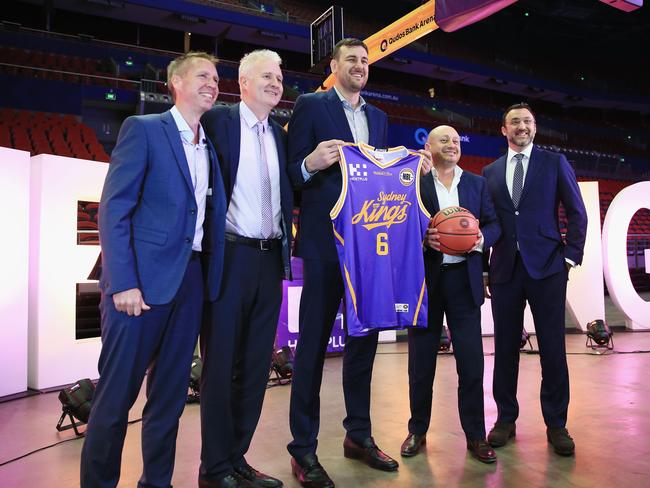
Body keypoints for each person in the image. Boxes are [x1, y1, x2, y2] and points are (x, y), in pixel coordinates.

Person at [80, 52, 226, 488]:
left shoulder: (209, 146)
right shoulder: (143, 130)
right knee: (115, 399)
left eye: (217, 78)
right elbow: (115, 208)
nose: (213, 84)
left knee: (169, 401)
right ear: (176, 83)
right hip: (139, 287)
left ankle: (156, 483)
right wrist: (122, 281)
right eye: (203, 75)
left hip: (190, 284)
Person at [286, 38, 395, 488]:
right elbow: (289, 172)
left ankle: (359, 436)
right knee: (311, 350)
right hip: (324, 248)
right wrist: (311, 163)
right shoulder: (311, 106)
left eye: (365, 60)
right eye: (351, 59)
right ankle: (302, 451)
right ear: (333, 66)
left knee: (363, 346)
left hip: (368, 250)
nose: (360, 66)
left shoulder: (380, 118)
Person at [198, 49, 293, 488]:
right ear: (244, 81)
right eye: (268, 76)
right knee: (219, 367)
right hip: (229, 258)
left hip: (270, 259)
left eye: (279, 76)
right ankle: (213, 469)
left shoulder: (281, 135)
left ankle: (237, 459)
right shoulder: (217, 122)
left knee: (255, 368)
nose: (277, 82)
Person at [482, 103, 587, 456]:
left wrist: (570, 256)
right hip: (505, 272)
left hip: (548, 268)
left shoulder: (554, 162)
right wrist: (484, 267)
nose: (521, 126)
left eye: (527, 121)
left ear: (535, 127)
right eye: (514, 122)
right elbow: (488, 223)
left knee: (553, 350)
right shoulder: (491, 171)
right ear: (504, 129)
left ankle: (557, 424)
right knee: (505, 350)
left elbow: (577, 212)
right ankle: (505, 420)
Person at [401, 125, 501, 463]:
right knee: (421, 364)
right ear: (428, 146)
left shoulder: (476, 183)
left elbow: (493, 223)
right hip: (426, 282)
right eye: (444, 139)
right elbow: (399, 224)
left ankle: (475, 435)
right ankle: (417, 430)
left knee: (471, 363)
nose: (452, 144)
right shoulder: (413, 182)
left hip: (464, 280)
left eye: (457, 140)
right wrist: (421, 238)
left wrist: (480, 239)